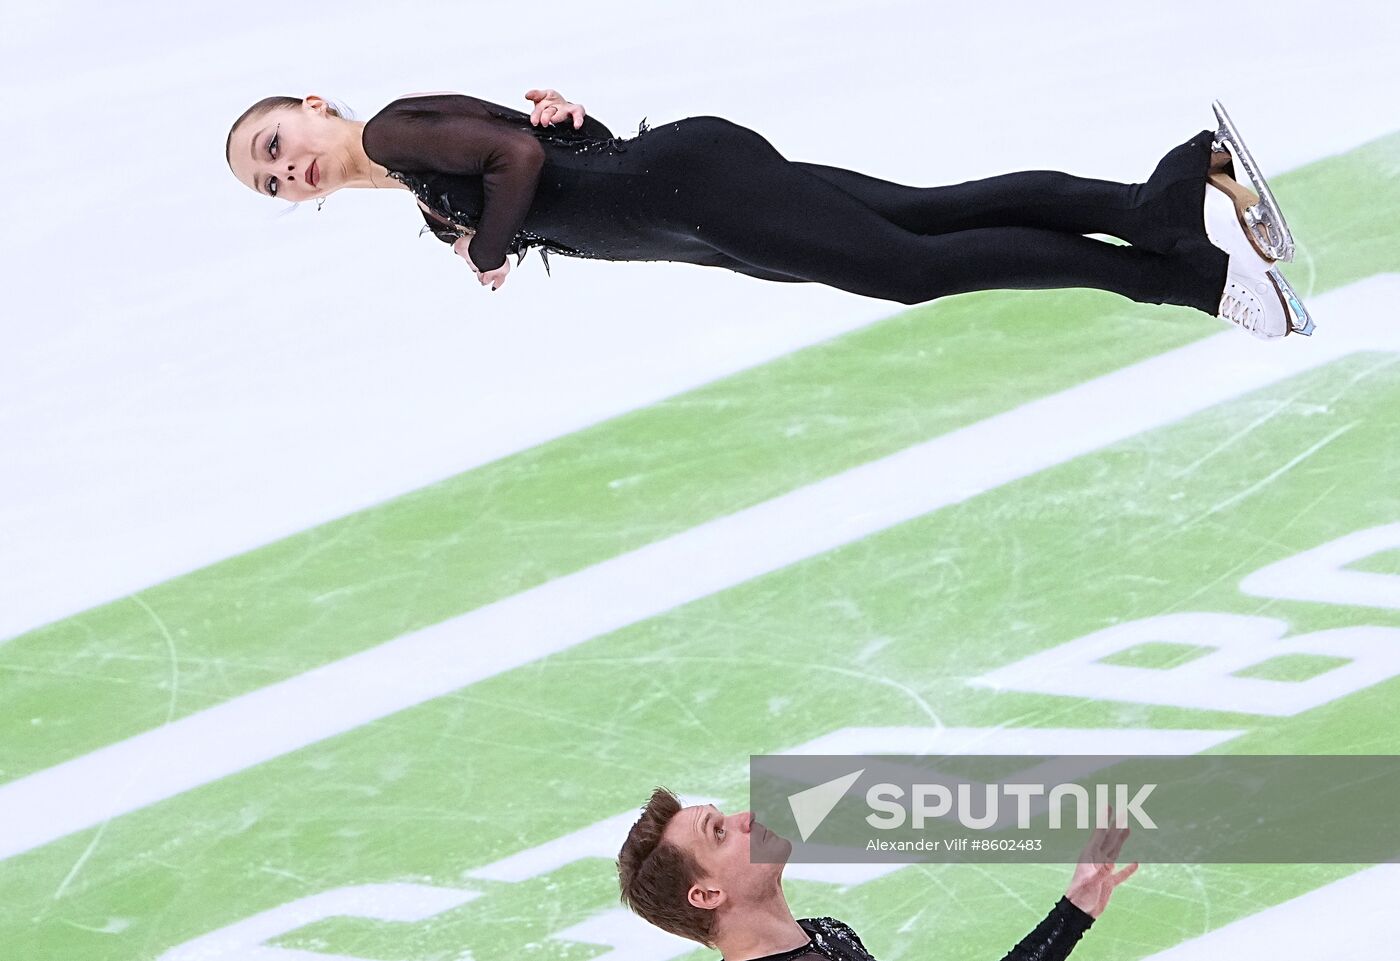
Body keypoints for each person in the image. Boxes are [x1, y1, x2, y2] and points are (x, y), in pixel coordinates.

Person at [225, 88, 1311, 339]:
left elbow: (511, 158)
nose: (289, 170)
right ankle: (1165, 188)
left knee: (912, 267)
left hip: (695, 191)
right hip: (689, 206)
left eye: (277, 145)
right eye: (271, 182)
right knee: (927, 221)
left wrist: (492, 248)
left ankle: (1181, 271)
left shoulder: (397, 132)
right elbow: (559, 155)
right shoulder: (411, 186)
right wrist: (576, 126)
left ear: (315, 108)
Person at [615, 788, 1137, 961]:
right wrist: (1071, 914)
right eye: (720, 832)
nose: (746, 817)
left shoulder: (823, 933)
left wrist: (1078, 904)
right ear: (706, 893)